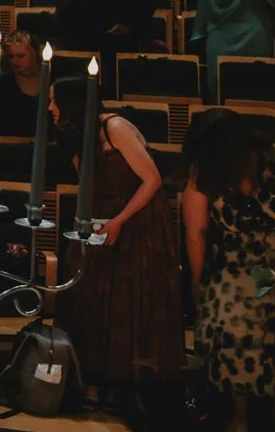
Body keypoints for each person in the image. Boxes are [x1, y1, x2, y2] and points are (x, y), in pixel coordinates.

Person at [50, 78, 181, 406]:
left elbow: (152, 179)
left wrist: (120, 221)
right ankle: (92, 379)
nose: (50, 108)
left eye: (55, 101)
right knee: (91, 299)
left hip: (135, 223)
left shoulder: (115, 127)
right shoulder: (79, 136)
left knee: (125, 301)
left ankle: (124, 383)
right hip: (101, 221)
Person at [181, 111, 275, 432]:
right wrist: (197, 283)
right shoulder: (206, 168)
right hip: (238, 263)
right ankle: (238, 410)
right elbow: (196, 231)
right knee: (230, 303)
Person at [0, 30, 44, 139]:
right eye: (11, 57)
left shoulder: (50, 81)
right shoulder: (5, 84)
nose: (15, 61)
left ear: (34, 54)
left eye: (21, 56)